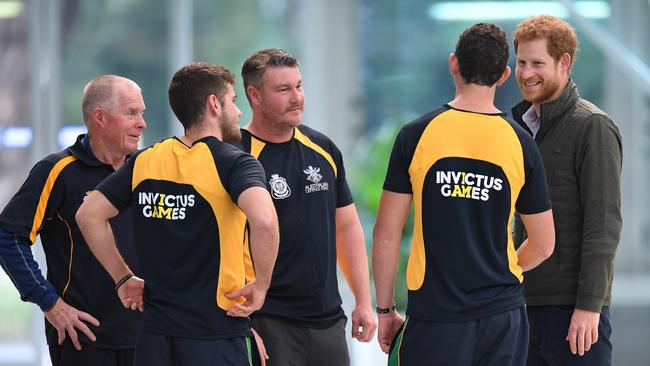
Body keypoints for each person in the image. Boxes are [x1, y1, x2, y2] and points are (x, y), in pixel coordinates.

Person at [372, 23, 556, 365]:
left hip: (435, 316)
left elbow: (386, 232)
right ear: (503, 75)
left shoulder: (416, 135)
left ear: (454, 64)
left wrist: (385, 310)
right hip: (503, 318)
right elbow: (544, 244)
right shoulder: (521, 143)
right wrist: (499, 270)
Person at [76, 62, 279, 366]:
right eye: (233, 102)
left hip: (154, 338)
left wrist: (123, 278)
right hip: (215, 334)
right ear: (214, 104)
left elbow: (88, 214)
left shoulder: (146, 161)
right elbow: (264, 220)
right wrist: (262, 284)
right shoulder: (236, 163)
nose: (238, 113)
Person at [237, 48, 376, 366]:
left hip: (327, 321)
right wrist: (239, 325)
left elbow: (346, 227)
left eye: (298, 86)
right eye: (283, 89)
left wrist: (364, 302)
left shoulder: (323, 149)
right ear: (254, 95)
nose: (297, 97)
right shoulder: (235, 156)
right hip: (266, 321)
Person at [0, 75, 145, 365]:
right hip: (83, 338)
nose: (142, 123)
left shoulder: (147, 169)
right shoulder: (58, 171)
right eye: (131, 113)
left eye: (142, 113)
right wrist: (50, 303)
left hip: (147, 336)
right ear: (100, 117)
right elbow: (8, 236)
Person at [511, 15, 623, 365]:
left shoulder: (592, 126)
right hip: (523, 306)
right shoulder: (518, 129)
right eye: (521, 62)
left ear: (564, 62)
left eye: (538, 63)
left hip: (573, 313)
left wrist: (589, 306)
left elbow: (603, 225)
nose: (527, 73)